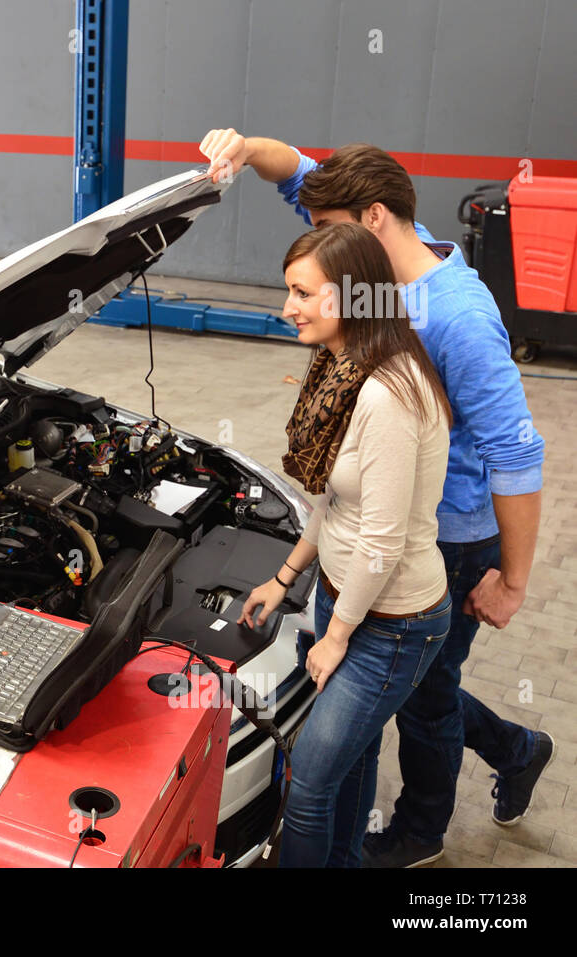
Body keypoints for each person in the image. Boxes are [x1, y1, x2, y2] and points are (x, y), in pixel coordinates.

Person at [202, 130, 552, 867]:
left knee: (422, 699)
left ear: (374, 220)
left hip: (451, 535)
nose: (313, 242)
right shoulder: (365, 255)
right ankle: (515, 749)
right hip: (378, 525)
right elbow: (294, 167)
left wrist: (513, 580)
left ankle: (424, 830)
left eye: (324, 234)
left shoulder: (455, 318)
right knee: (408, 691)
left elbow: (517, 452)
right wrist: (238, 147)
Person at [239, 222, 452, 867]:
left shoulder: (388, 393)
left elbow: (382, 541)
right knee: (351, 763)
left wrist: (336, 638)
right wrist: (284, 579)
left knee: (306, 776)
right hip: (345, 600)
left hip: (391, 624)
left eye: (302, 293)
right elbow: (329, 504)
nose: (287, 307)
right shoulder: (345, 371)